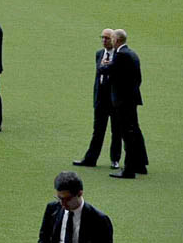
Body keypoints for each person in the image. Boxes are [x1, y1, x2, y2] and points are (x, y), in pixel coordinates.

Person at [73, 31, 119, 170]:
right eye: (103, 38)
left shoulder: (119, 56)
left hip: (114, 100)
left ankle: (115, 160)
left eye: (107, 38)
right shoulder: (99, 54)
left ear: (114, 40)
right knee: (97, 131)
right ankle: (91, 159)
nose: (104, 41)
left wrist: (109, 67)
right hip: (101, 99)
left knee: (116, 132)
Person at [107, 29, 146, 179]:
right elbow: (138, 79)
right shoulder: (132, 54)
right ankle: (140, 165)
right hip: (132, 99)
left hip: (123, 101)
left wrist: (103, 66)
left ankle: (129, 169)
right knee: (134, 131)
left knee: (127, 134)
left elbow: (109, 71)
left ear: (117, 40)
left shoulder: (120, 55)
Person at [38, 172, 112, 243]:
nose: (62, 204)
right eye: (59, 198)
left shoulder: (99, 220)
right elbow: (43, 239)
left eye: (67, 199)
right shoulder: (51, 208)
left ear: (80, 193)